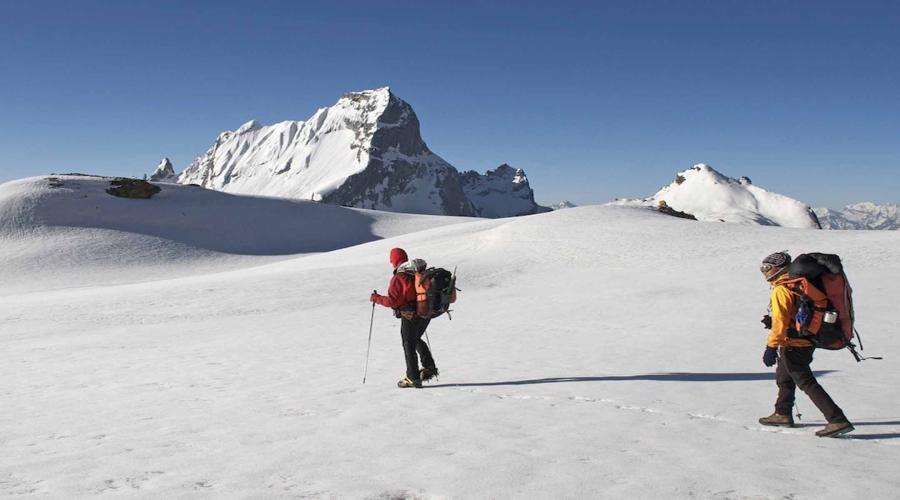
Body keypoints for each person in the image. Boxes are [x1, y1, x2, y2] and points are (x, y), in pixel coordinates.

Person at [758, 251, 854, 437]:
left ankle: (837, 419)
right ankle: (782, 413)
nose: (764, 272)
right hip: (806, 339)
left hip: (793, 342)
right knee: (784, 377)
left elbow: (780, 320)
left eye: (766, 268)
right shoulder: (799, 284)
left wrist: (771, 346)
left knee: (805, 381)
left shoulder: (782, 289)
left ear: (778, 268)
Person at [370, 247, 439, 388]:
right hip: (425, 312)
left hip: (410, 315)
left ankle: (412, 377)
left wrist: (376, 298)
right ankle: (429, 368)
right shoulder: (415, 272)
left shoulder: (399, 277)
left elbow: (393, 301)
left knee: (408, 344)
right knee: (415, 339)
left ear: (394, 261)